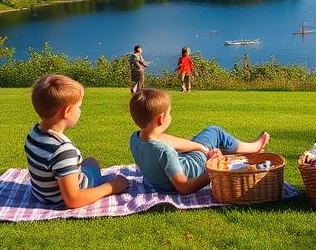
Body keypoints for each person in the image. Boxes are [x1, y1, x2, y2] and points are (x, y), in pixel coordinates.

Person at [129, 87, 269, 195]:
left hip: (165, 180)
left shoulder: (136, 139)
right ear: (161, 119)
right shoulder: (165, 152)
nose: (171, 116)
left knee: (206, 144)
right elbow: (184, 187)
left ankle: (222, 151)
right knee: (215, 131)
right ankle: (253, 147)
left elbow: (163, 139)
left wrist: (201, 148)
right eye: (169, 113)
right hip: (195, 166)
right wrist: (212, 172)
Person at [24, 74, 129, 208]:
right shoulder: (62, 149)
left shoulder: (33, 134)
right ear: (67, 111)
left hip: (42, 195)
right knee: (92, 162)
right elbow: (73, 200)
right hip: (60, 198)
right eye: (79, 106)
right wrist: (112, 187)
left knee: (88, 161)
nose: (80, 110)